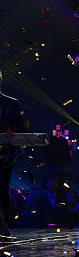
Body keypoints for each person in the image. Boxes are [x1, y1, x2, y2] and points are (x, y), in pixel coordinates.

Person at [0, 70, 24, 236]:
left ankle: (3, 226)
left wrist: (11, 133)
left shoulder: (12, 103)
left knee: (2, 188)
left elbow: (20, 129)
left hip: (6, 153)